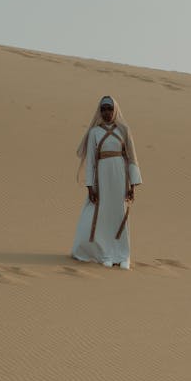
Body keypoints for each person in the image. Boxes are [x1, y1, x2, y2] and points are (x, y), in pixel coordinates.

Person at [71, 96, 142, 270]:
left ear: (115, 109)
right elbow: (91, 163)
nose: (106, 112)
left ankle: (124, 255)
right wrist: (90, 187)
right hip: (102, 177)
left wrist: (132, 185)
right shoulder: (94, 132)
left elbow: (132, 158)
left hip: (120, 175)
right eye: (103, 109)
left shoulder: (124, 130)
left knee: (120, 213)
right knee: (103, 215)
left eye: (109, 108)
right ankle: (107, 253)